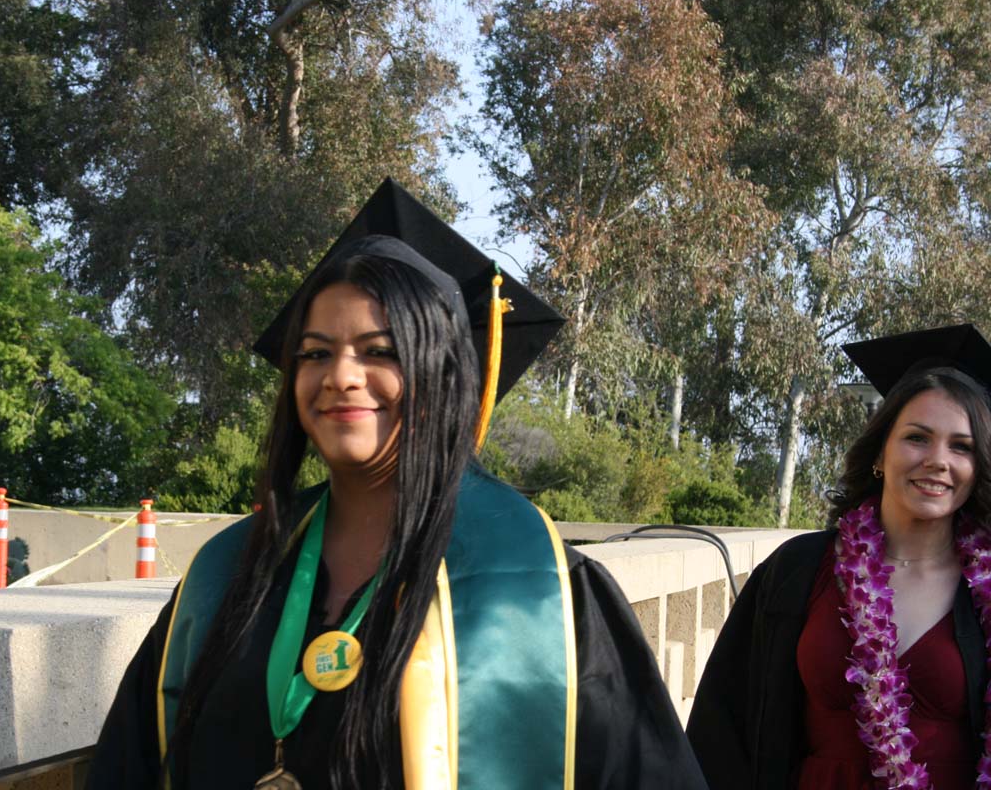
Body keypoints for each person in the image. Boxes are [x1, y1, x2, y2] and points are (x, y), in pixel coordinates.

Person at [87, 178, 706, 789]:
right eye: (315, 353)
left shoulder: (541, 594)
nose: (341, 377)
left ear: (445, 373)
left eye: (379, 350)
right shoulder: (226, 577)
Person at [687, 324, 991, 789]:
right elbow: (722, 722)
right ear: (880, 451)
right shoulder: (799, 570)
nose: (938, 460)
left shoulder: (987, 589)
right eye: (917, 438)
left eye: (962, 446)